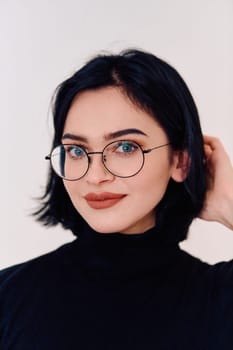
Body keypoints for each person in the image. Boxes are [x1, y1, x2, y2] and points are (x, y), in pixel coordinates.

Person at [0, 49, 232, 349]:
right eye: (76, 150)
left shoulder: (220, 298)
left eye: (124, 147)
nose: (95, 176)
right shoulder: (8, 296)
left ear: (180, 161)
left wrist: (227, 203)